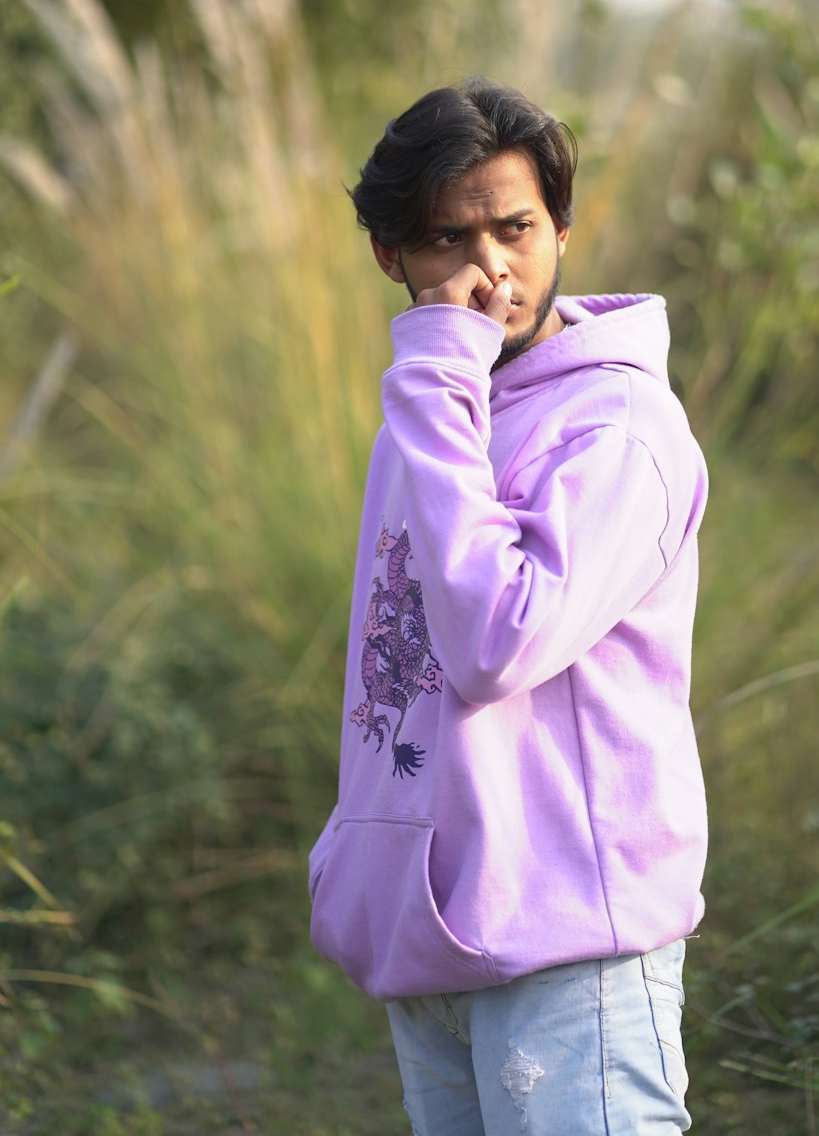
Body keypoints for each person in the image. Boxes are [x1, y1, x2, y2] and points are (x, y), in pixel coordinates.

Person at [308, 78, 709, 1134]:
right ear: (390, 256)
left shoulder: (618, 429)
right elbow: (396, 666)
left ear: (563, 227)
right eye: (449, 238)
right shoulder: (436, 409)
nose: (491, 267)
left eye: (517, 227)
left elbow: (496, 643)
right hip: (429, 930)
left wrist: (440, 371)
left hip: (570, 947)